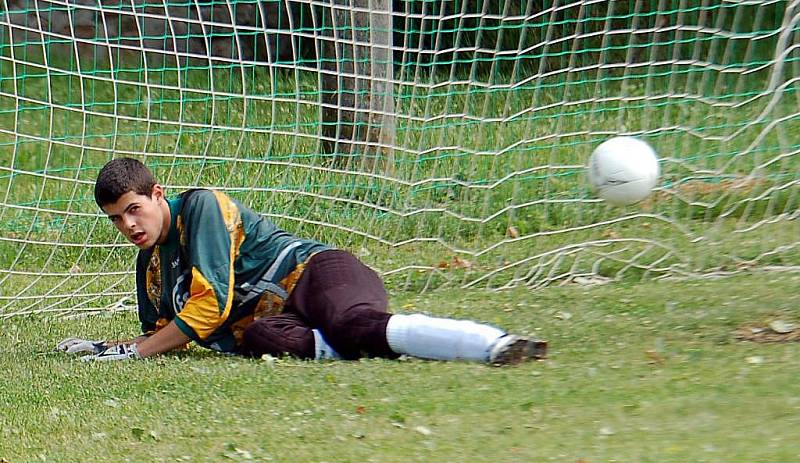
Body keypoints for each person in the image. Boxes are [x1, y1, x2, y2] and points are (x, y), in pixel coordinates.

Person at [56, 158, 547, 365]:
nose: (129, 227)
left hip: (317, 275)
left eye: (133, 210)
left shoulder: (201, 205)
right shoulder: (150, 267)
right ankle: (353, 344)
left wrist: (135, 354)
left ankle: (494, 345)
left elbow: (207, 308)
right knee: (260, 340)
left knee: (352, 322)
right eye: (117, 220)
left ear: (158, 195)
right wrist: (108, 347)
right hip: (281, 320)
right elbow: (165, 335)